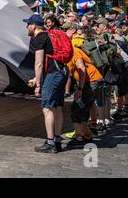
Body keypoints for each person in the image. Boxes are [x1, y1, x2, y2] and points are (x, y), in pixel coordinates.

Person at [25, 14, 67, 153]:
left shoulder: (39, 38)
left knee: (47, 108)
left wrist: (38, 83)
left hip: (53, 74)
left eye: (28, 24)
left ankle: (50, 143)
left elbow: (39, 62)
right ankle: (57, 140)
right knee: (57, 107)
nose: (26, 27)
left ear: (34, 25)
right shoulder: (48, 36)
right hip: (62, 72)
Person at [63, 22, 104, 147]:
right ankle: (86, 135)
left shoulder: (73, 51)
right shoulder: (71, 50)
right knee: (83, 107)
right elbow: (71, 74)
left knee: (77, 109)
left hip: (90, 81)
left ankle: (80, 136)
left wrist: (79, 89)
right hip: (93, 80)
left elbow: (81, 69)